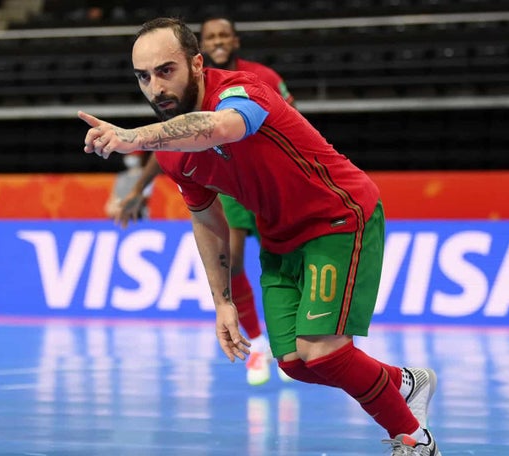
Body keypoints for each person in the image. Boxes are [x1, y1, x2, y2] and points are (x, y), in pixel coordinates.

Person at [78, 18, 441, 455]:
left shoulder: (243, 90)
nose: (155, 87)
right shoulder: (175, 156)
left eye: (165, 70)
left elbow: (223, 127)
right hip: (279, 237)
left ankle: (415, 440)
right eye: (143, 76)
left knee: (322, 352)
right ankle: (407, 383)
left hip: (336, 217)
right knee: (294, 363)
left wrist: (132, 137)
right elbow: (208, 219)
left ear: (196, 63)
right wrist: (222, 301)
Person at [120, 15, 297, 387]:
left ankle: (295, 339)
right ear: (200, 49)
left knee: (285, 265)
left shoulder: (260, 78)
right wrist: (139, 189)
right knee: (231, 264)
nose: (218, 40)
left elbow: (291, 122)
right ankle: (258, 344)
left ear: (235, 40)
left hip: (273, 183)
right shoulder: (180, 90)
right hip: (231, 189)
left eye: (224, 35)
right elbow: (168, 142)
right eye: (211, 36)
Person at [104, 151, 154, 219]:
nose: (131, 158)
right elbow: (113, 196)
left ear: (141, 157)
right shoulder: (121, 176)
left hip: (138, 214)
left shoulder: (146, 175)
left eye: (134, 156)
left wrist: (126, 206)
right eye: (129, 155)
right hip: (119, 211)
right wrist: (114, 206)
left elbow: (144, 198)